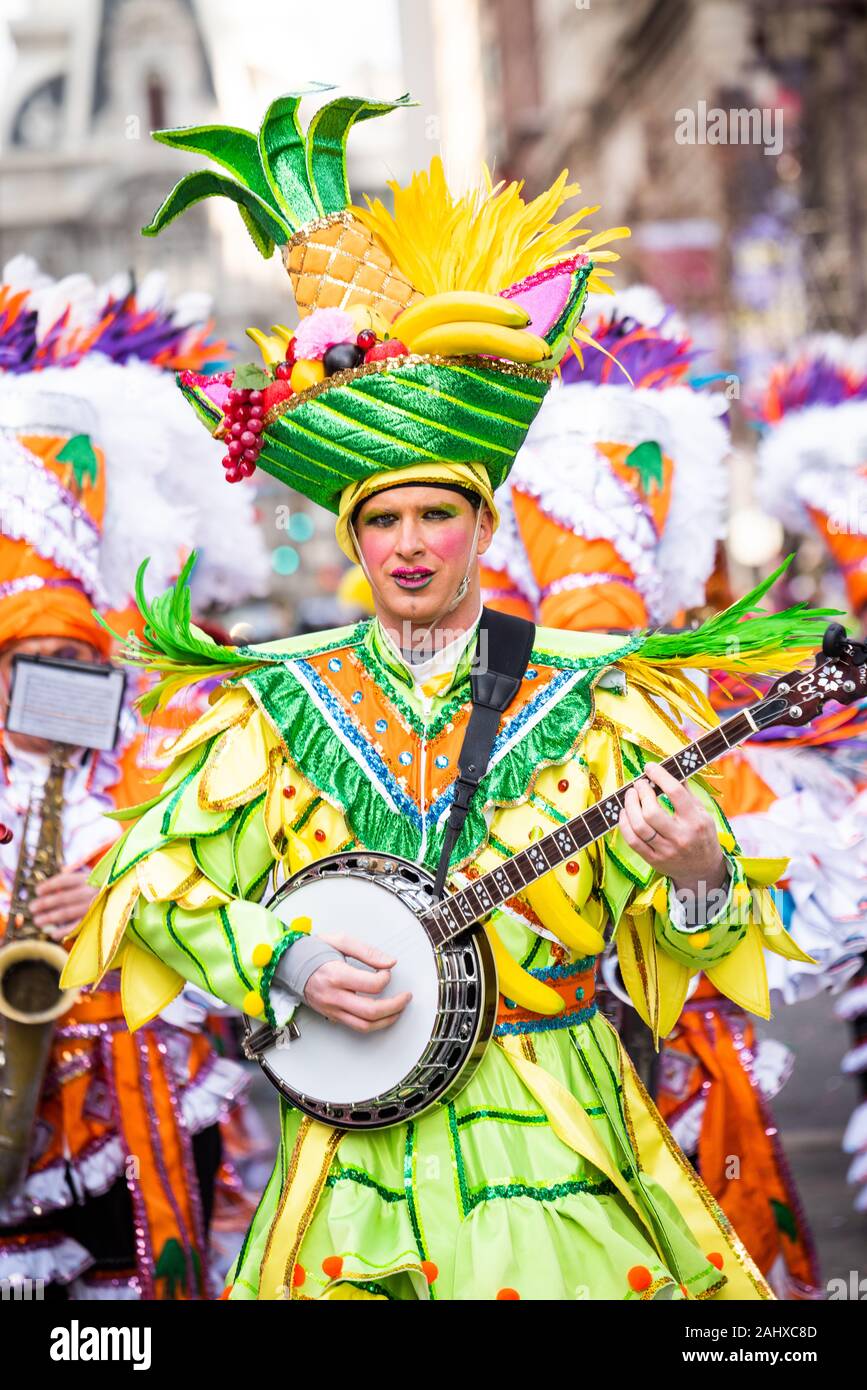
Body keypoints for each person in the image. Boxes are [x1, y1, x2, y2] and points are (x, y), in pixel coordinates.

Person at [64, 85, 827, 1301]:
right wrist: (284, 961)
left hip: (561, 1137)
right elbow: (146, 875)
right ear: (355, 542)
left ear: (484, 529)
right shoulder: (279, 701)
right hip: (353, 1162)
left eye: (437, 516)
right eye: (384, 521)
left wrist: (694, 875)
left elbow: (706, 930)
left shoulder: (597, 697)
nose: (411, 544)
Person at [0, 262, 262, 1299]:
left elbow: (254, 890)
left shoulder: (180, 707)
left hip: (146, 1085)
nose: (42, 673)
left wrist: (127, 882)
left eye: (61, 650)